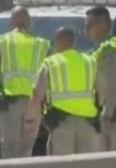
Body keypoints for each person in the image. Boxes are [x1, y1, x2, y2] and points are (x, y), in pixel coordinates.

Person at [0, 6, 51, 158]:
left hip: (10, 106)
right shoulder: (42, 44)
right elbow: (49, 77)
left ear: (11, 23)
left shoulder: (3, 42)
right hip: (34, 105)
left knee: (9, 148)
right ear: (29, 23)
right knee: (26, 148)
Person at [27, 26, 102, 156]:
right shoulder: (90, 61)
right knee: (87, 167)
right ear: (74, 42)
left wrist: (29, 119)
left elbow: (37, 94)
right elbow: (103, 90)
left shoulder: (50, 63)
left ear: (57, 41)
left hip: (62, 124)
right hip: (88, 123)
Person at [85, 5, 116, 151]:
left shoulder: (107, 49)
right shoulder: (107, 46)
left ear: (104, 24)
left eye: (91, 24)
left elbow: (113, 82)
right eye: (86, 25)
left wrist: (107, 113)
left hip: (112, 108)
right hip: (114, 106)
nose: (87, 29)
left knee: (107, 155)